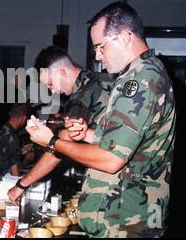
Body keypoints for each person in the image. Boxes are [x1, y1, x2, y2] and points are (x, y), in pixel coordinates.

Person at [23, 1, 176, 238]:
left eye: (101, 47)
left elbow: (111, 160)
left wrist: (52, 142)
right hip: (125, 216)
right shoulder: (139, 74)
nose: (96, 56)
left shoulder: (139, 82)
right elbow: (124, 143)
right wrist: (86, 134)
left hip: (124, 220)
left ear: (125, 37)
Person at [7, 45, 114, 203]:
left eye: (50, 84)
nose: (53, 91)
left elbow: (59, 149)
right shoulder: (102, 79)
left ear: (62, 71)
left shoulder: (80, 97)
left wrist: (21, 185)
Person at [0, 104, 29, 185]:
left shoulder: (1, 129)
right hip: (3, 183)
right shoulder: (12, 137)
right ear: (24, 118)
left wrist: (20, 151)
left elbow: (3, 153)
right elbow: (14, 173)